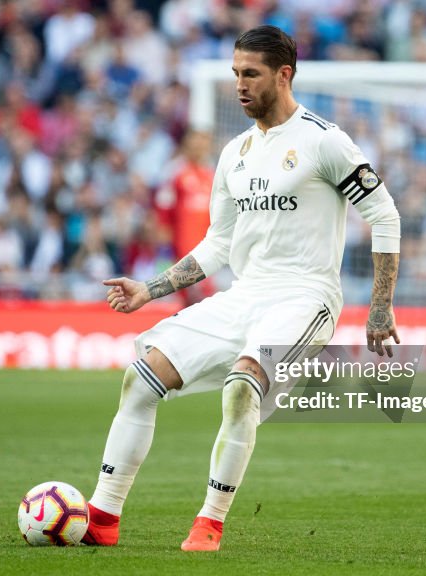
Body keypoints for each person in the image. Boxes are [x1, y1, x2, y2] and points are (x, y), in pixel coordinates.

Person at [82, 25, 402, 552]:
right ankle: (101, 517)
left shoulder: (324, 140)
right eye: (234, 73)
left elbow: (384, 215)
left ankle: (210, 523)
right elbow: (218, 244)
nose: (239, 84)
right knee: (141, 378)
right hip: (244, 295)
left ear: (284, 74)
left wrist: (379, 307)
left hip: (307, 298)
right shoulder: (234, 154)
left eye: (250, 74)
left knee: (241, 386)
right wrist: (150, 289)